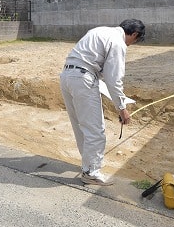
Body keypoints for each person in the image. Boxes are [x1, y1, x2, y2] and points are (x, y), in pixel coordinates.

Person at [60, 19, 145, 186]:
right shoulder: (118, 43)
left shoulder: (100, 31)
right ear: (134, 34)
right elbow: (114, 79)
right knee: (95, 130)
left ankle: (87, 165)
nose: (131, 45)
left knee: (81, 126)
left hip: (67, 76)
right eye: (135, 41)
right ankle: (91, 172)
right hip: (84, 78)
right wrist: (122, 108)